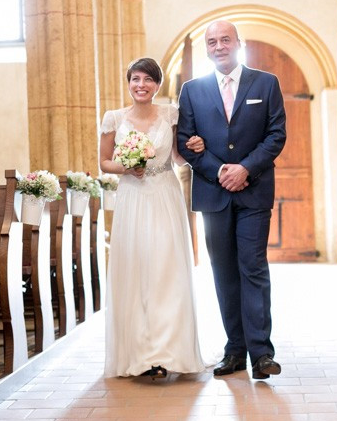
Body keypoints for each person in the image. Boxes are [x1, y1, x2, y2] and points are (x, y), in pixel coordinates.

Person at [176, 20, 286, 379]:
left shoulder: (266, 83)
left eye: (226, 39)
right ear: (207, 48)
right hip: (213, 193)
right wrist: (221, 170)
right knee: (224, 272)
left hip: (254, 192)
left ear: (239, 43)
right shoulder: (192, 90)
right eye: (212, 41)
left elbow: (275, 135)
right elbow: (185, 142)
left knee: (253, 267)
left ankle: (262, 353)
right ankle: (234, 350)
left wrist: (245, 169)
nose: (219, 46)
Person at [99, 57, 207, 378]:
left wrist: (194, 149)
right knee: (137, 269)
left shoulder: (171, 114)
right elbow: (104, 162)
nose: (141, 85)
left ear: (157, 85)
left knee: (166, 269)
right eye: (135, 79)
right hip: (132, 197)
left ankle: (169, 350)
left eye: (147, 79)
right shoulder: (114, 118)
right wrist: (126, 167)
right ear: (129, 82)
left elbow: (177, 157)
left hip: (165, 194)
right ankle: (141, 354)